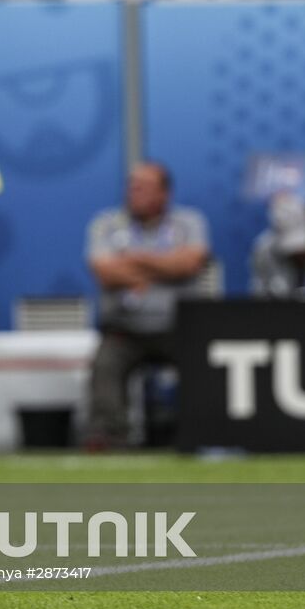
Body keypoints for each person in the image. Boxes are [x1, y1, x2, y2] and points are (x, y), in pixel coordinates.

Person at [85, 161, 211, 449]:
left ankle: (199, 432)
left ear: (164, 193)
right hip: (124, 329)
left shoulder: (189, 223)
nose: (134, 192)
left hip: (178, 328)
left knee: (203, 361)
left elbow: (190, 264)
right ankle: (110, 436)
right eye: (132, 186)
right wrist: (165, 265)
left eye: (143, 187)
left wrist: (134, 259)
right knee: (105, 364)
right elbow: (105, 272)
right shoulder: (106, 223)